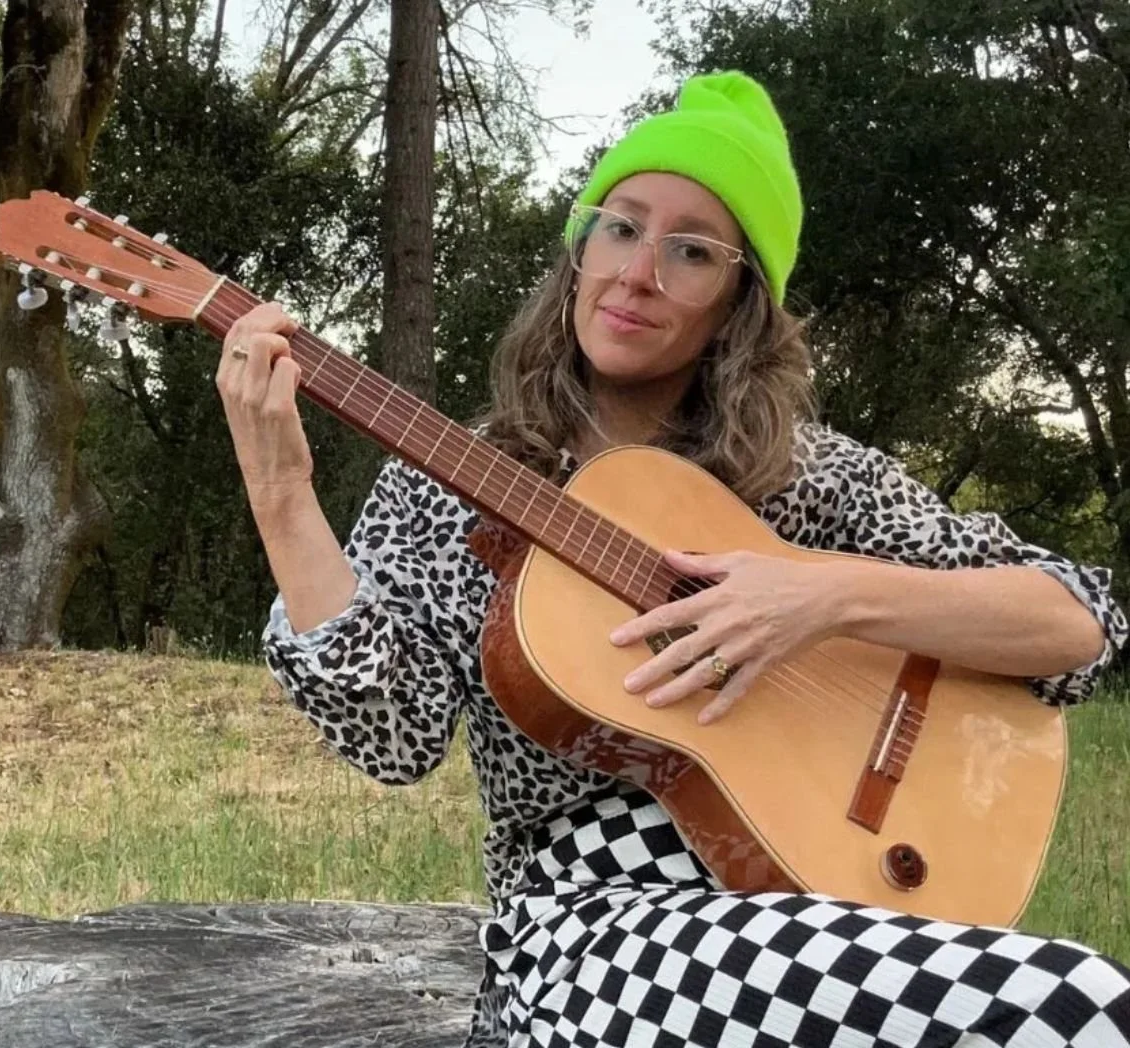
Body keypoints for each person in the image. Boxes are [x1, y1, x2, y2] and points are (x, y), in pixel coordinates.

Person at [215, 70, 1130, 1047]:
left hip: (822, 900)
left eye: (691, 250)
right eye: (619, 227)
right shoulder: (451, 482)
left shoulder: (806, 480)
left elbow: (1077, 622)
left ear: (739, 303)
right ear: (577, 252)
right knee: (1070, 1004)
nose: (637, 273)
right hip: (588, 930)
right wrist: (281, 496)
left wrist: (824, 595)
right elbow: (390, 739)